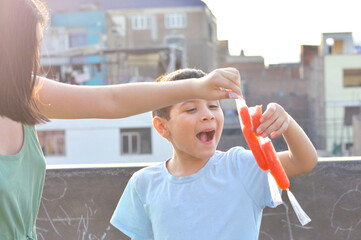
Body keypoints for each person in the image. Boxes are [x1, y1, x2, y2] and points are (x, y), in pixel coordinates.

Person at [0, 1, 242, 239]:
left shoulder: (24, 93)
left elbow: (111, 100)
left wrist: (198, 86)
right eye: (31, 47)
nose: (38, 58)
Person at [110, 68, 318, 240]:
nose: (207, 115)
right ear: (163, 127)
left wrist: (286, 122)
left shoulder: (240, 166)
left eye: (213, 106)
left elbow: (303, 162)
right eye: (191, 109)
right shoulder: (144, 183)